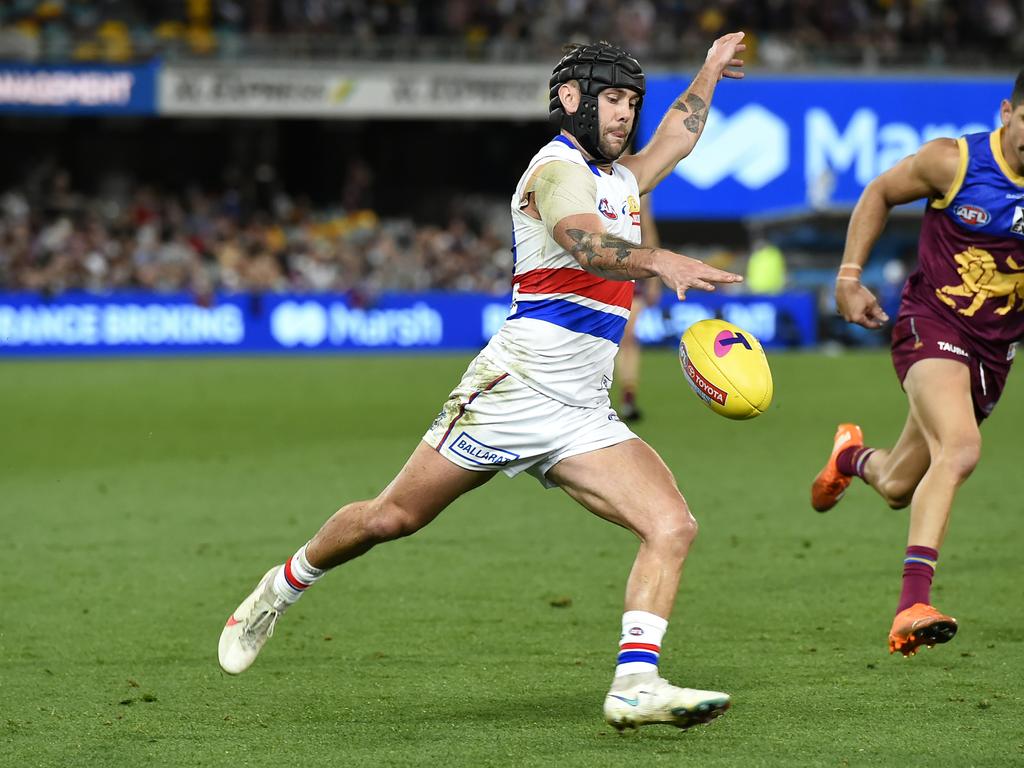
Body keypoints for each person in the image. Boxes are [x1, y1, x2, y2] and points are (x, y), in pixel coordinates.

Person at [218, 34, 747, 731]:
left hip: (582, 412)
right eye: (613, 99)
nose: (625, 114)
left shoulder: (621, 177)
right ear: (571, 100)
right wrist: (662, 261)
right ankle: (279, 589)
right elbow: (587, 243)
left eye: (632, 102)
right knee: (390, 518)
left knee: (672, 524)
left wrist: (707, 73)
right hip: (513, 387)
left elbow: (677, 138)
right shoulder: (554, 170)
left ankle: (634, 684)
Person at [811, 70, 1024, 657]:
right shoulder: (951, 163)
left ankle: (850, 457)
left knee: (900, 483)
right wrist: (849, 278)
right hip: (930, 324)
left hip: (993, 353)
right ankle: (912, 604)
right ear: (1008, 112)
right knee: (960, 449)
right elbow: (879, 191)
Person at [616, 195, 662, 421]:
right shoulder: (591, 173)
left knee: (628, 335)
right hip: (600, 269)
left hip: (630, 270)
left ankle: (628, 396)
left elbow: (648, 228)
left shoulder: (635, 181)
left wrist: (654, 277)